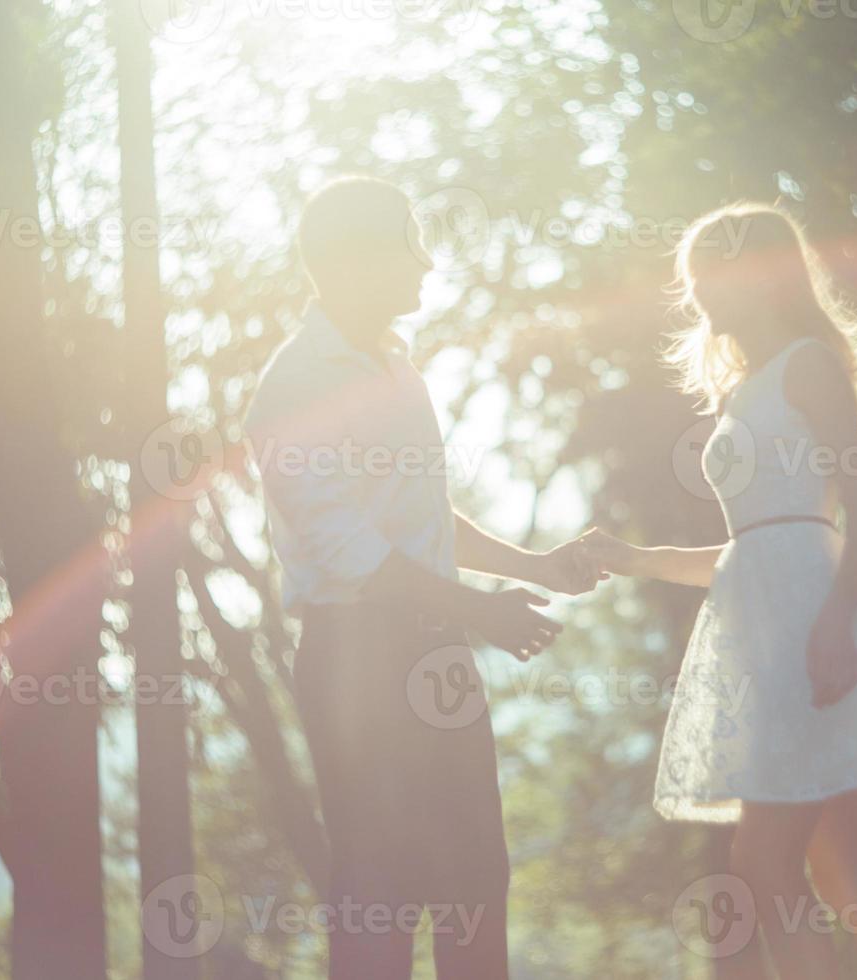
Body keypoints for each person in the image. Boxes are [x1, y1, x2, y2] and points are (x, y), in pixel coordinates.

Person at [242, 177, 601, 979]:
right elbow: (356, 559)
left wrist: (532, 567)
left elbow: (422, 524)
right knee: (381, 892)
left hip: (435, 651)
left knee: (475, 873)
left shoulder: (397, 369)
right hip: (355, 660)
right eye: (410, 241)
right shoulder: (294, 385)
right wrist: (485, 612)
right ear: (359, 259)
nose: (427, 262)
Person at [583, 202, 857, 979]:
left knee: (766, 862)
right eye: (693, 279)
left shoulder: (807, 365)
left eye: (716, 275)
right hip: (757, 629)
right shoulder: (737, 392)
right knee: (847, 874)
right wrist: (631, 558)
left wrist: (833, 626)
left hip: (812, 628)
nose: (702, 293)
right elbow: (748, 548)